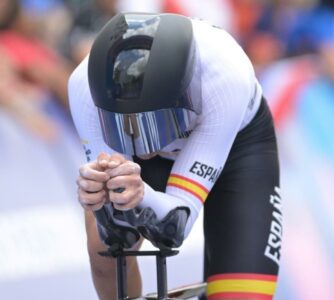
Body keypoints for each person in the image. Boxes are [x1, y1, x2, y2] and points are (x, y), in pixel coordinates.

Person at [68, 13, 282, 300]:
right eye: (123, 125)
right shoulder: (83, 88)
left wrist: (141, 195)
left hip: (238, 147)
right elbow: (116, 236)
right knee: (105, 256)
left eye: (153, 126)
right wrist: (101, 201)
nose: (145, 149)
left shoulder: (225, 75)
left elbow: (174, 228)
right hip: (148, 154)